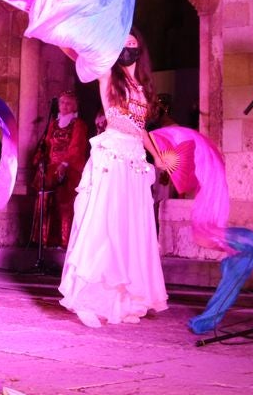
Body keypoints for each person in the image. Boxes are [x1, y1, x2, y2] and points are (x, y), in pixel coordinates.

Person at [58, 32, 170, 326]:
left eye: (133, 44)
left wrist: (156, 156)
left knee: (130, 229)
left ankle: (123, 301)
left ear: (140, 50)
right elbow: (81, 56)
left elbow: (141, 129)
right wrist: (62, 38)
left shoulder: (142, 88)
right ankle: (88, 298)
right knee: (103, 223)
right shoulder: (109, 75)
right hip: (112, 154)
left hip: (134, 160)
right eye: (124, 44)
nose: (129, 48)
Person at [30, 90, 91, 249]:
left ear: (74, 106)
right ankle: (45, 240)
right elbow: (47, 144)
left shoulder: (78, 124)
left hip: (68, 168)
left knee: (64, 204)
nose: (64, 106)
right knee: (46, 201)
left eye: (68, 103)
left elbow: (77, 147)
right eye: (62, 102)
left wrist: (64, 164)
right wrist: (40, 159)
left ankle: (65, 241)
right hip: (51, 166)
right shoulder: (53, 124)